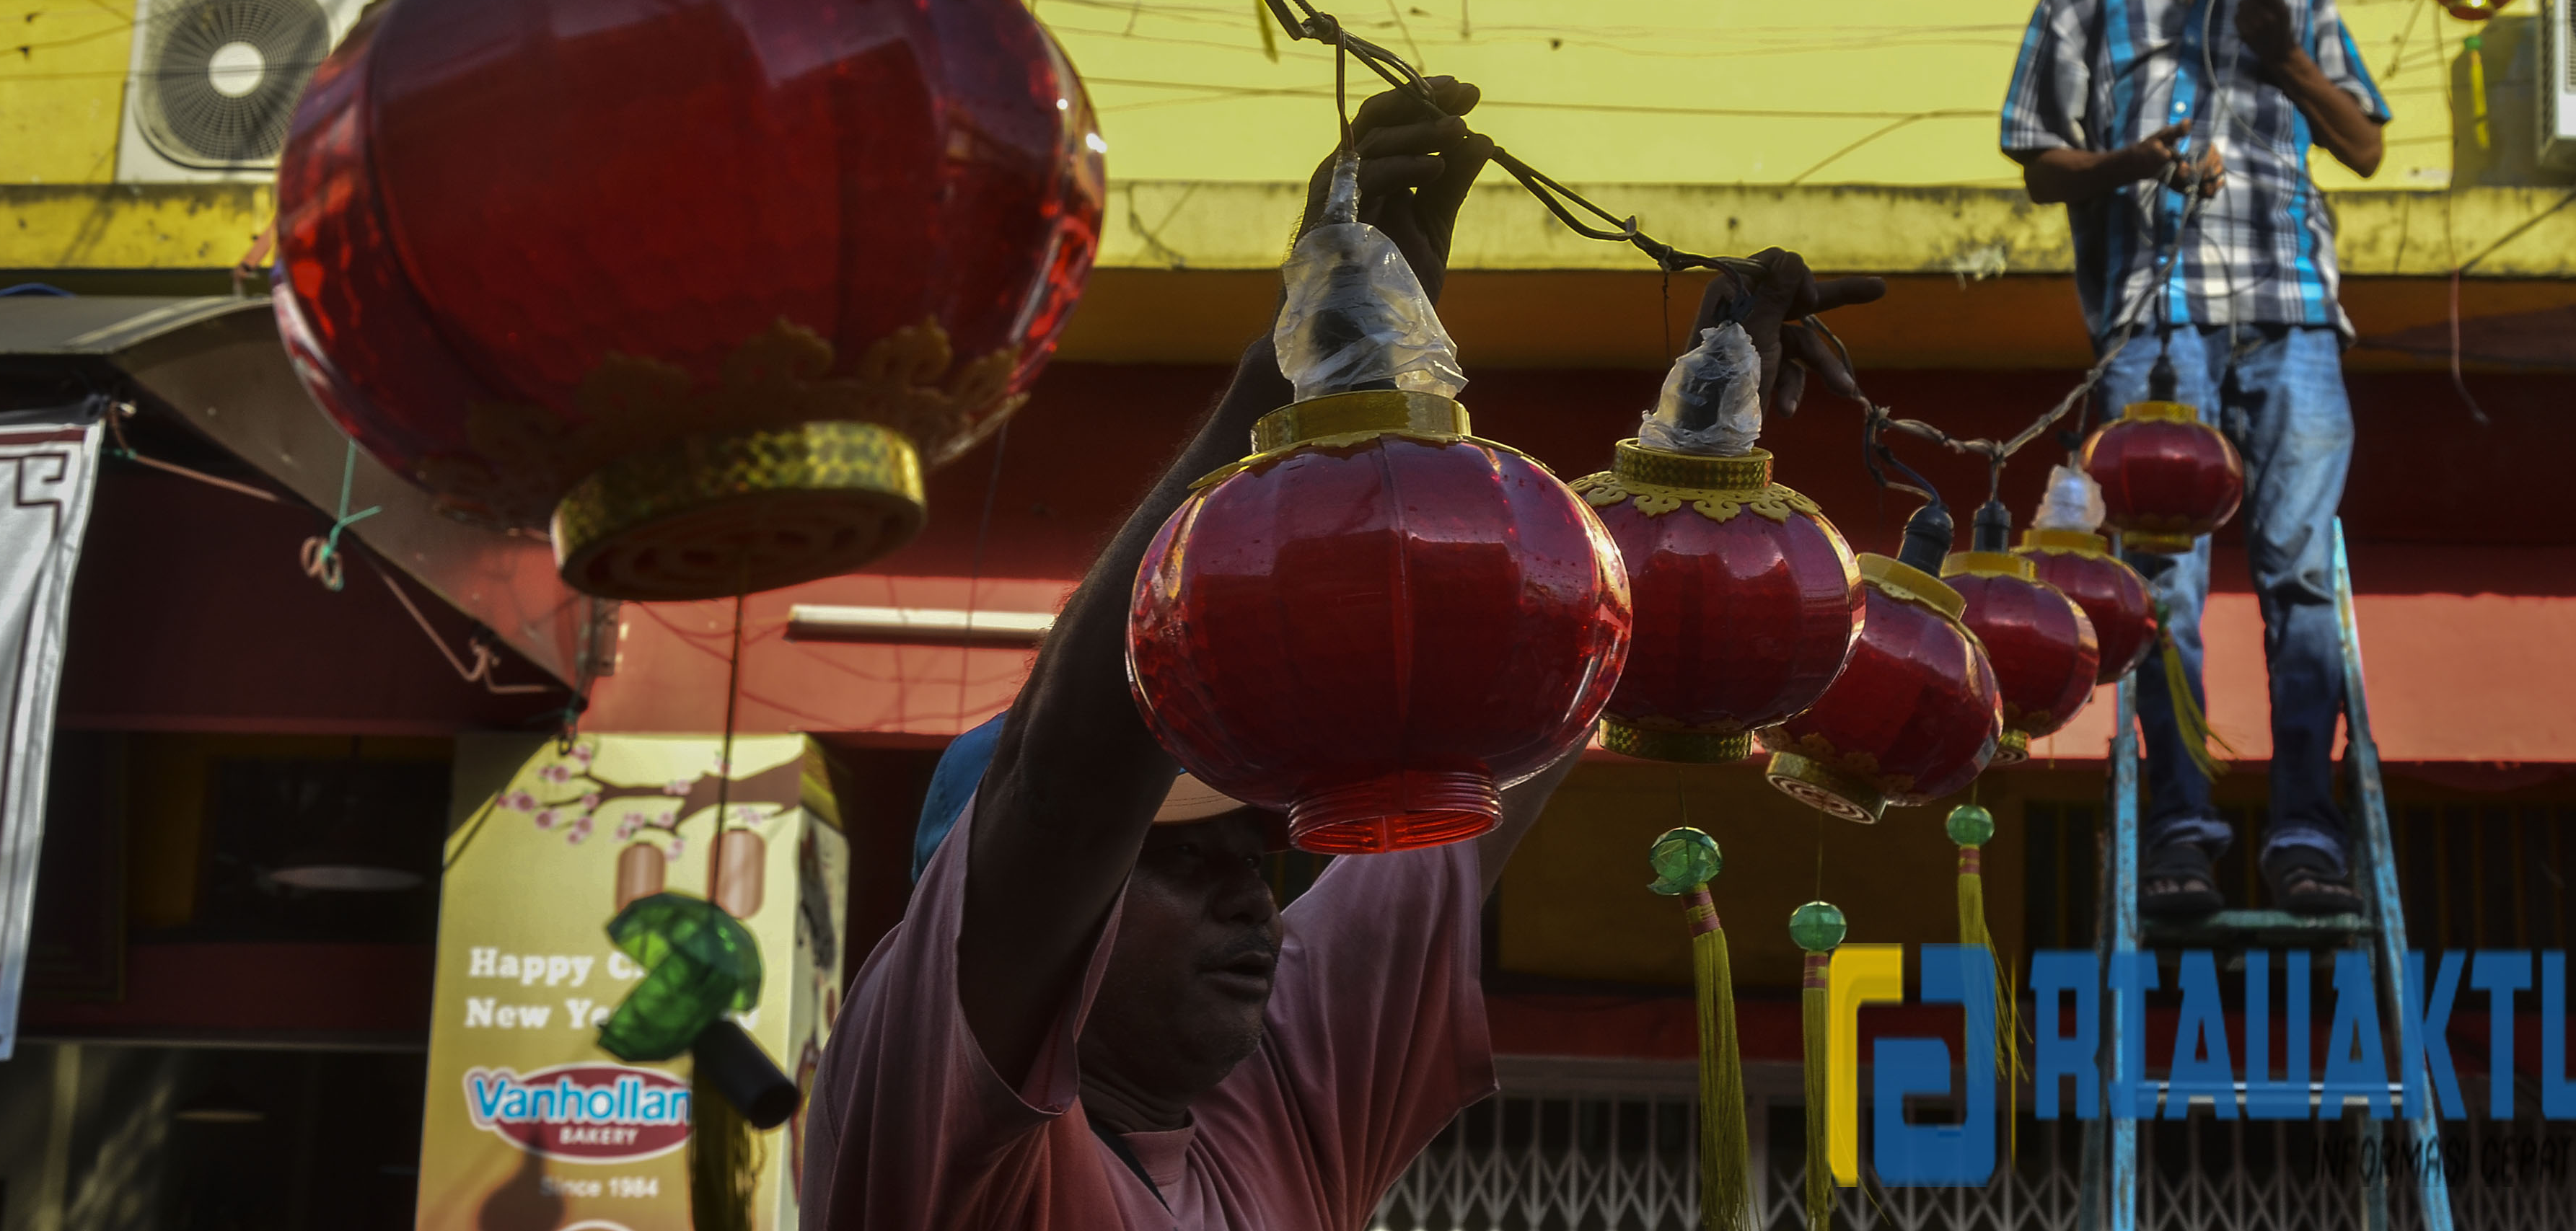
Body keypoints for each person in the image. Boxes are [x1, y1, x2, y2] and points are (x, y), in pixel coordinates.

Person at [798, 75, 1868, 1228]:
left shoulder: (1280, 1104)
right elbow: (1060, 788)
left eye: (1251, 856)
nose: (1252, 902)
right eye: (1179, 862)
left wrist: (1697, 447)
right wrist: (1295, 362)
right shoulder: (933, 1113)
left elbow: (1522, 718)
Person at [1998, 0, 2391, 920]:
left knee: (2301, 587)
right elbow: (2034, 159)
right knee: (2163, 586)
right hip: (2152, 327)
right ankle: (2181, 825)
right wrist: (2137, 160)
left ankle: (2308, 838)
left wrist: (2289, 60)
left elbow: (2364, 147)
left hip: (2294, 322)